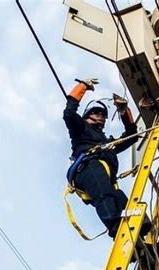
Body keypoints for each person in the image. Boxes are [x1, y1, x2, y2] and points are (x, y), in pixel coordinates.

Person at [63, 78, 152, 239]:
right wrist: (83, 86)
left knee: (120, 198)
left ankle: (140, 236)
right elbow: (69, 114)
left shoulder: (107, 143)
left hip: (104, 173)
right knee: (106, 195)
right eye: (96, 113)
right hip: (88, 167)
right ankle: (116, 227)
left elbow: (131, 137)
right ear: (87, 116)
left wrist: (125, 112)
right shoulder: (81, 128)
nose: (101, 116)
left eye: (103, 115)